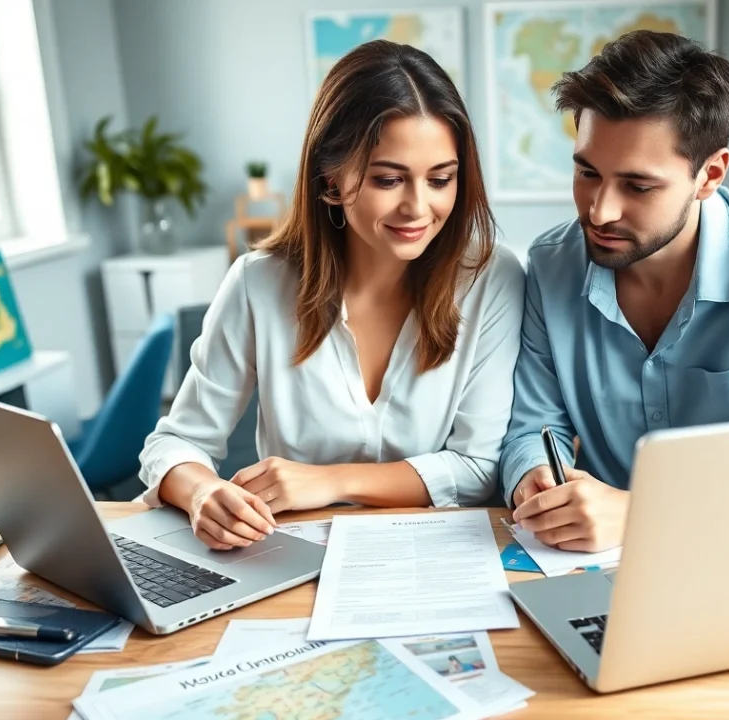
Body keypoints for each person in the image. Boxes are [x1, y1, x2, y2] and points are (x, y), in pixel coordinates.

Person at [139, 40, 524, 550]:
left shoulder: (491, 278)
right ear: (329, 176)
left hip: (439, 556)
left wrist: (330, 481)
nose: (418, 207)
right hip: (290, 558)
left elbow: (477, 469)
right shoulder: (258, 282)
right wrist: (202, 493)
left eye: (441, 179)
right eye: (389, 179)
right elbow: (176, 443)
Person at [500, 31, 729, 553]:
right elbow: (532, 425)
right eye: (587, 172)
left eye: (638, 186)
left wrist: (641, 514)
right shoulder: (550, 264)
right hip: (595, 562)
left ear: (709, 175)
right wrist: (535, 478)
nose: (599, 211)